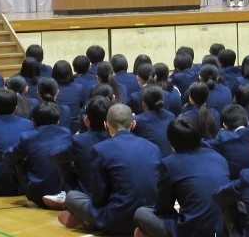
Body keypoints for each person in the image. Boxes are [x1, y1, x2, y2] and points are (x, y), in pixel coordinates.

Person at [59, 104, 161, 235]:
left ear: (106, 125)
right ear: (133, 124)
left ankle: (89, 222)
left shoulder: (100, 149)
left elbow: (98, 199)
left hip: (115, 220)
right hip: (146, 218)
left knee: (72, 197)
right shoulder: (153, 148)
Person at [134, 116, 230, 237]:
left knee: (140, 214)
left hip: (191, 231)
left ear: (170, 142)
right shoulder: (219, 157)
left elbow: (161, 209)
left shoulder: (170, 163)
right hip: (222, 228)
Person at [3, 101, 72, 208]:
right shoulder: (66, 133)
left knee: (16, 159)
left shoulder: (28, 137)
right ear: (58, 121)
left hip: (37, 193)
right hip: (64, 190)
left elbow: (8, 157)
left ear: (33, 120)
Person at [46, 96, 112, 208]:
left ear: (86, 119)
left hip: (86, 197)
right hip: (113, 197)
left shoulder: (80, 140)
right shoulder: (117, 138)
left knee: (64, 159)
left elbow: (52, 154)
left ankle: (67, 195)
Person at [203, 104, 249, 180]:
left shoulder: (223, 137)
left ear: (224, 125)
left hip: (232, 181)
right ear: (248, 123)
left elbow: (204, 143)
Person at [132, 86, 176, 157]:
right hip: (171, 157)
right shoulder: (171, 116)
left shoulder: (137, 120)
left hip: (152, 158)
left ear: (143, 104)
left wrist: (130, 119)